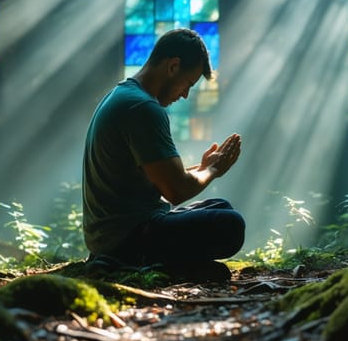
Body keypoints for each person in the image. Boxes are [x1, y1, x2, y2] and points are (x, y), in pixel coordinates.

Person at [82, 27, 245, 282]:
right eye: (187, 84)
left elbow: (156, 175)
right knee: (231, 225)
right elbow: (175, 192)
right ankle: (144, 266)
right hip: (126, 240)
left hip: (114, 235)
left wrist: (201, 168)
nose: (185, 94)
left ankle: (172, 265)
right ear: (173, 66)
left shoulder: (124, 95)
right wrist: (212, 171)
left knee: (221, 207)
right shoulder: (143, 108)